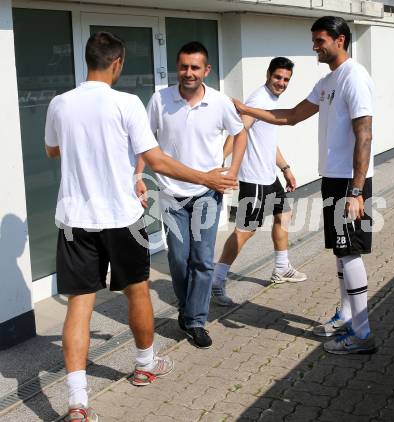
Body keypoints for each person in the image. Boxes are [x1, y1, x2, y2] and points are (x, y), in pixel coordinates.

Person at [45, 32, 238, 421]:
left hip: (74, 221)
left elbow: (53, 150)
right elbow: (158, 161)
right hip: (122, 218)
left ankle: (78, 404)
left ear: (88, 60)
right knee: (137, 292)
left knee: (80, 306)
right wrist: (207, 179)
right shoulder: (126, 102)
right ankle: (145, 365)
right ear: (117, 64)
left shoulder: (59, 104)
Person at [232, 16, 376, 355]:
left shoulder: (355, 78)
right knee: (341, 253)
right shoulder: (328, 81)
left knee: (350, 251)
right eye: (314, 40)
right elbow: (290, 116)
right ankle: (346, 315)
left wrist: (356, 192)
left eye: (320, 40)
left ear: (340, 40)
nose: (315, 46)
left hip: (349, 184)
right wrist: (245, 107)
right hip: (333, 178)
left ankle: (363, 333)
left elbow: (364, 135)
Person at [138, 41, 246, 349]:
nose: (189, 73)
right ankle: (187, 308)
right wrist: (138, 176)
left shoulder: (220, 102)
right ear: (177, 68)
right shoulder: (160, 100)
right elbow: (144, 142)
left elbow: (240, 133)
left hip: (206, 193)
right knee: (177, 257)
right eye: (184, 66)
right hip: (171, 193)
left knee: (202, 259)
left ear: (206, 70)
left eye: (195, 67)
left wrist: (232, 170)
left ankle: (196, 319)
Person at [211, 57, 307, 307]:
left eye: (286, 79)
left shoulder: (272, 101)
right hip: (254, 180)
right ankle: (217, 281)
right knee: (245, 231)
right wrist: (223, 163)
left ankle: (281, 268)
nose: (281, 83)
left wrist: (285, 168)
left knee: (284, 214)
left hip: (269, 176)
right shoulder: (258, 100)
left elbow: (267, 140)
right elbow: (238, 131)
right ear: (268, 74)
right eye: (278, 77)